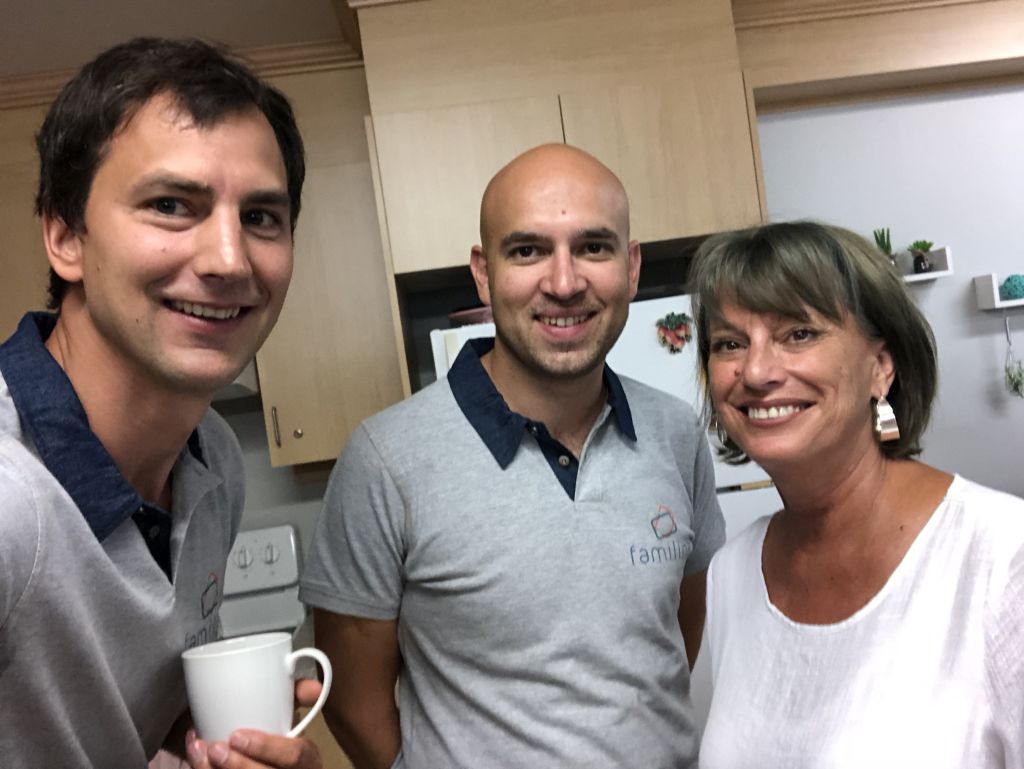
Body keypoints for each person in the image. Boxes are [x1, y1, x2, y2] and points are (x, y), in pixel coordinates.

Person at [299, 143, 726, 768]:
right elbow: (353, 701)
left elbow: (675, 634)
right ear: (482, 272)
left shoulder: (676, 431)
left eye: (594, 247)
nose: (563, 282)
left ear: (631, 267)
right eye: (527, 250)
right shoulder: (386, 460)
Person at [0, 37, 323, 769]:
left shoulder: (212, 461)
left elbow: (140, 706)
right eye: (172, 205)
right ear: (64, 236)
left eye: (263, 218)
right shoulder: (10, 504)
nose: (230, 259)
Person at [690, 221, 1024, 768]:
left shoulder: (1002, 558)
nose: (754, 370)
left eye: (798, 333)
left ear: (881, 367)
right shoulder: (732, 573)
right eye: (729, 343)